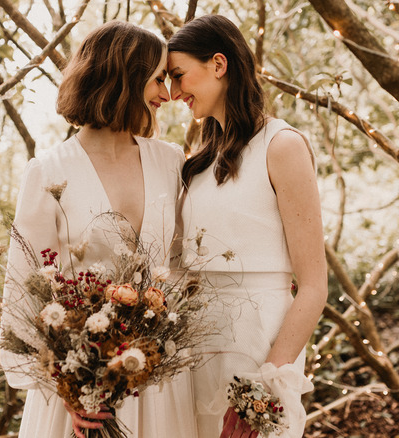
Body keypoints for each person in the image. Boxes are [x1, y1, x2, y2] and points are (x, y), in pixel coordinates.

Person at [0, 21, 197, 438]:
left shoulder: (171, 161)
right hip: (79, 389)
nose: (167, 93)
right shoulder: (49, 171)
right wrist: (68, 387)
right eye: (158, 78)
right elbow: (23, 292)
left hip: (159, 382)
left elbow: (184, 265)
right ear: (125, 75)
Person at [168, 15, 328, 438]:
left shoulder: (283, 145)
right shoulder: (198, 162)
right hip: (196, 348)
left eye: (179, 75)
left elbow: (314, 285)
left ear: (218, 65)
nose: (173, 92)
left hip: (259, 346)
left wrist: (264, 387)